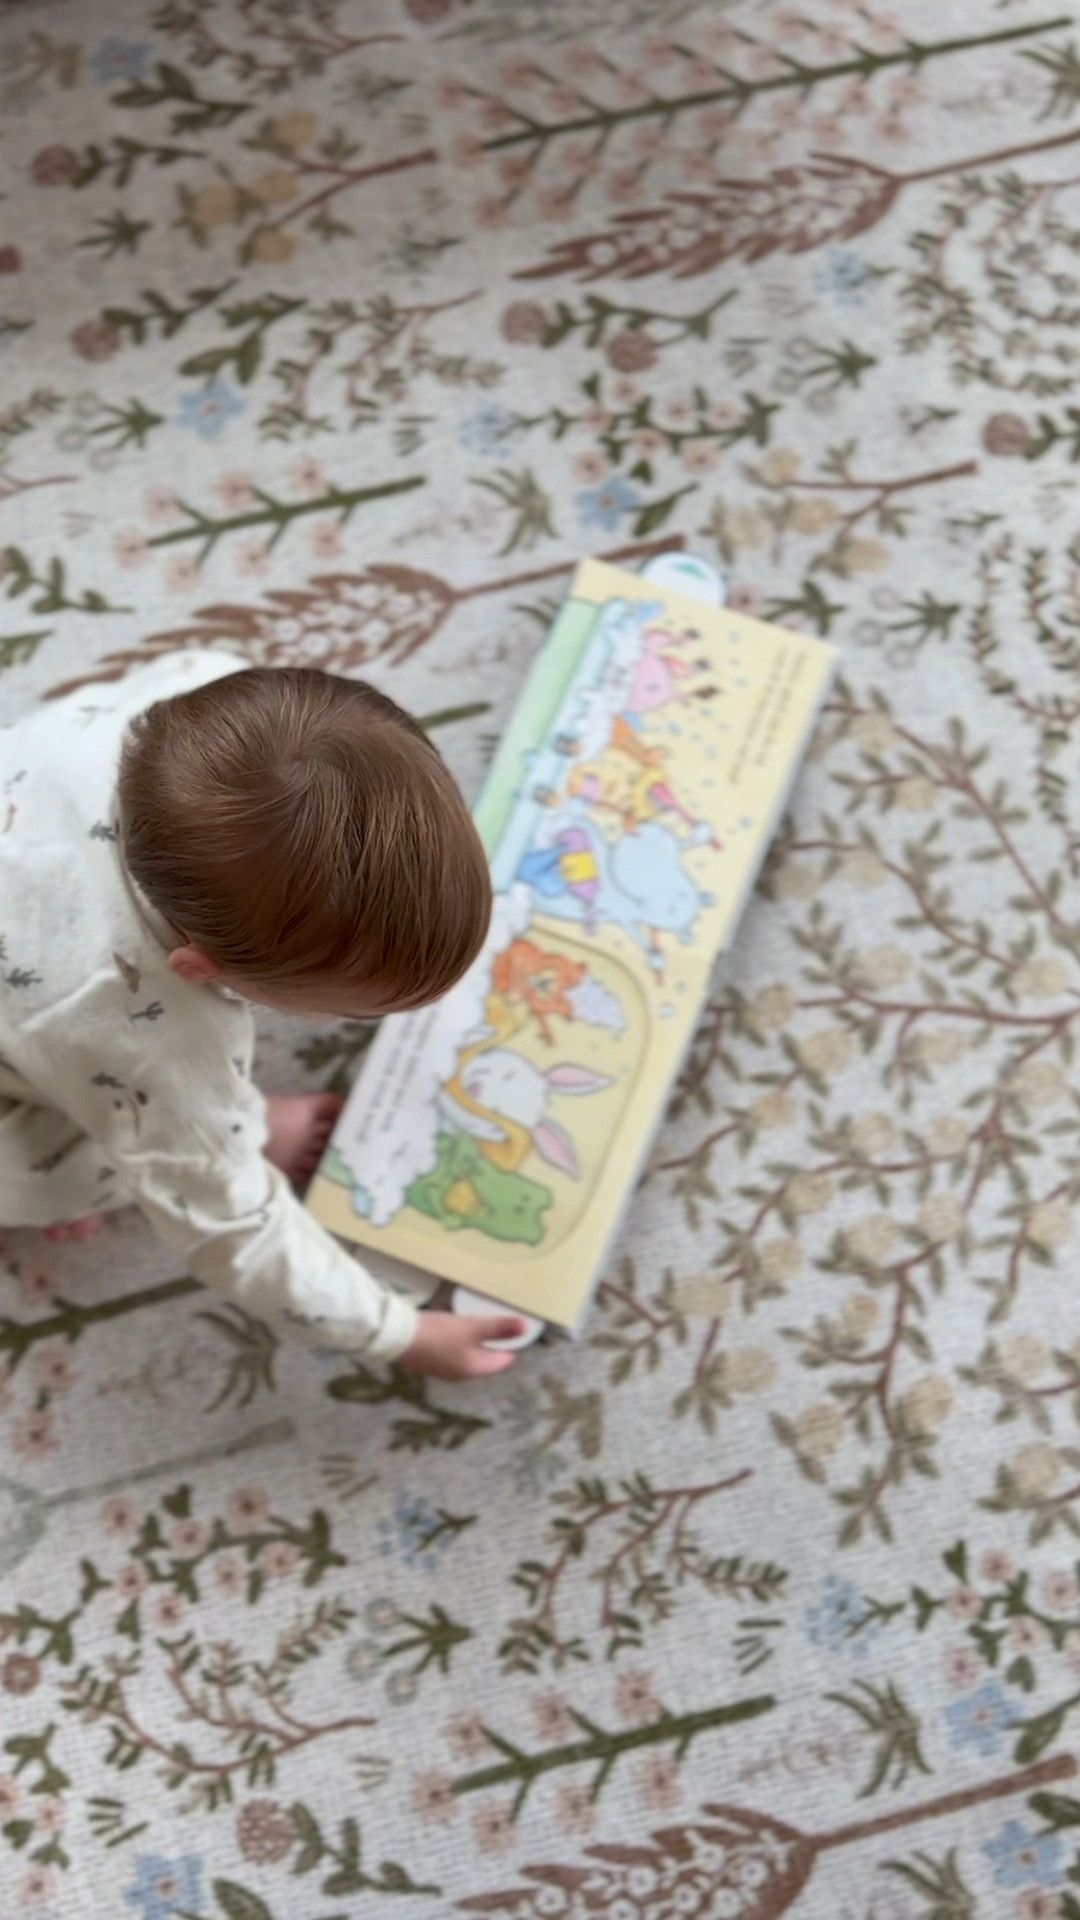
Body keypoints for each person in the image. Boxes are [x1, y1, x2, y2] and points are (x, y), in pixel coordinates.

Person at [0, 653, 525, 1379]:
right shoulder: (147, 1032)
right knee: (120, 1157)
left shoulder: (207, 693)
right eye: (346, 1008)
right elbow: (227, 1224)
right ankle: (71, 1173)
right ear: (200, 971)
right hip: (27, 1050)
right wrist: (396, 1333)